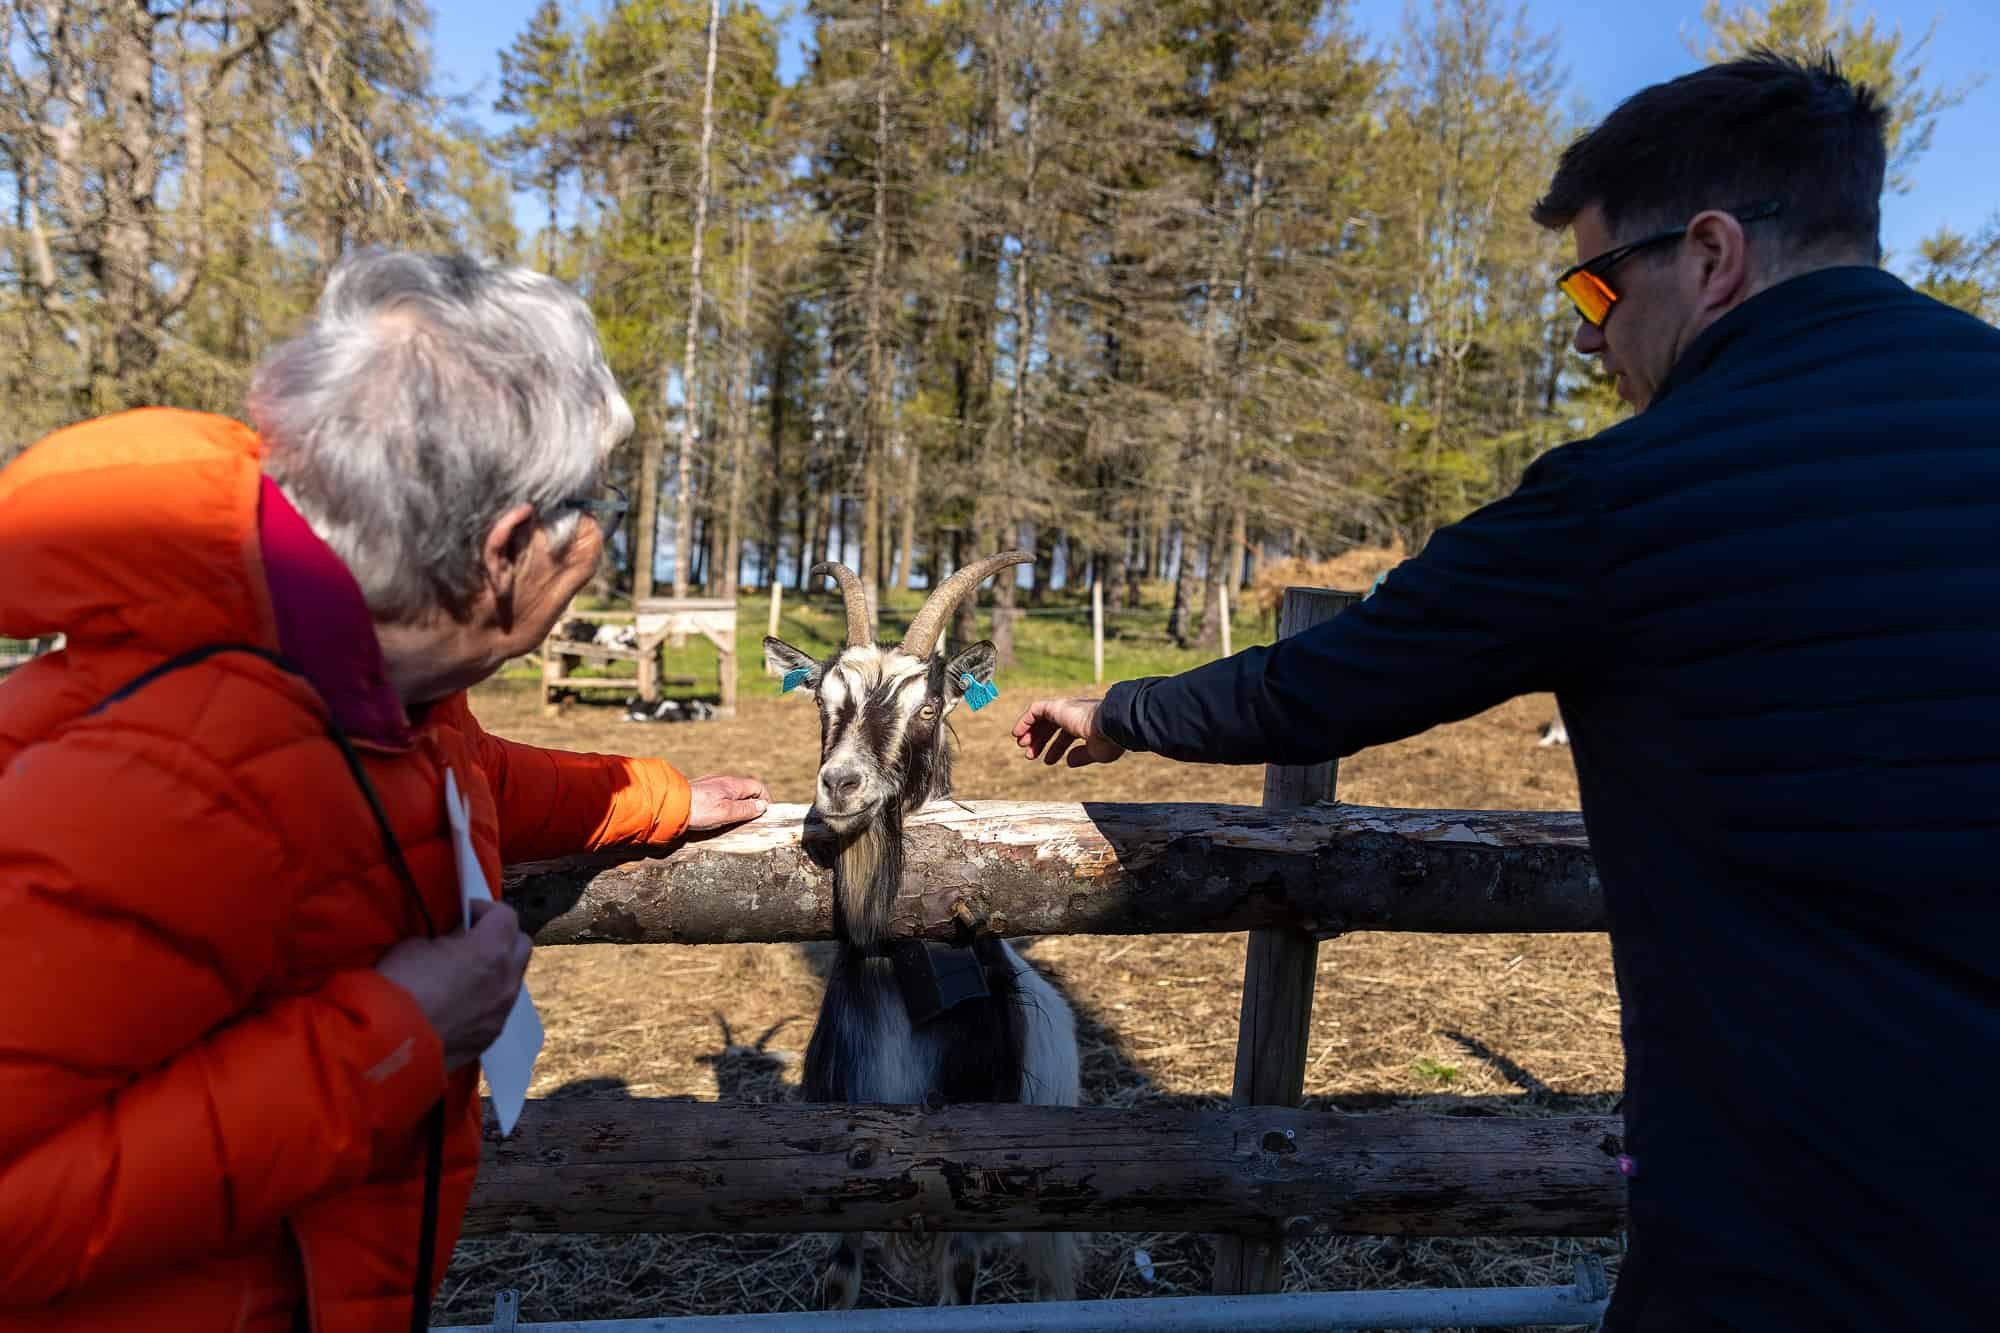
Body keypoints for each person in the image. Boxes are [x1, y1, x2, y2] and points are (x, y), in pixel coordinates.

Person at [1013, 52, 2000, 1332]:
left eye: (1594, 283)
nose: (1587, 332)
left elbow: (1330, 679)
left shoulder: (1630, 497)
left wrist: (1124, 708)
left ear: (1710, 255)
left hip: (1793, 1225)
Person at [0, 251, 769, 1332]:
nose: (599, 539)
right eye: (592, 506)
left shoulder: (372, 678)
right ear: (505, 548)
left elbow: (465, 781)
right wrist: (393, 1040)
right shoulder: (165, 780)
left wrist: (653, 795)